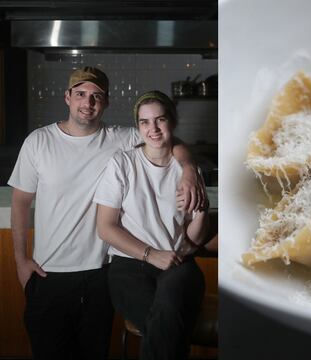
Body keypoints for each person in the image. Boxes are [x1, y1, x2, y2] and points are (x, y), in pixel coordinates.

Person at [8, 67, 205, 360]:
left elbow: (165, 138)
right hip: (49, 271)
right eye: (81, 95)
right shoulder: (39, 141)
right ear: (68, 98)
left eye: (96, 96)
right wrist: (21, 260)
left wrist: (189, 169)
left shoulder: (121, 139)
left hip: (101, 271)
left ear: (106, 102)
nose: (88, 103)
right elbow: (21, 203)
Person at [95, 90, 209, 360]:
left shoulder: (188, 173)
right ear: (138, 127)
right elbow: (106, 227)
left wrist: (201, 210)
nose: (153, 128)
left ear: (173, 122)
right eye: (145, 122)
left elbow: (193, 241)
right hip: (129, 267)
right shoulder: (122, 164)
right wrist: (150, 254)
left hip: (179, 265)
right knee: (168, 325)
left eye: (160, 120)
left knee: (167, 316)